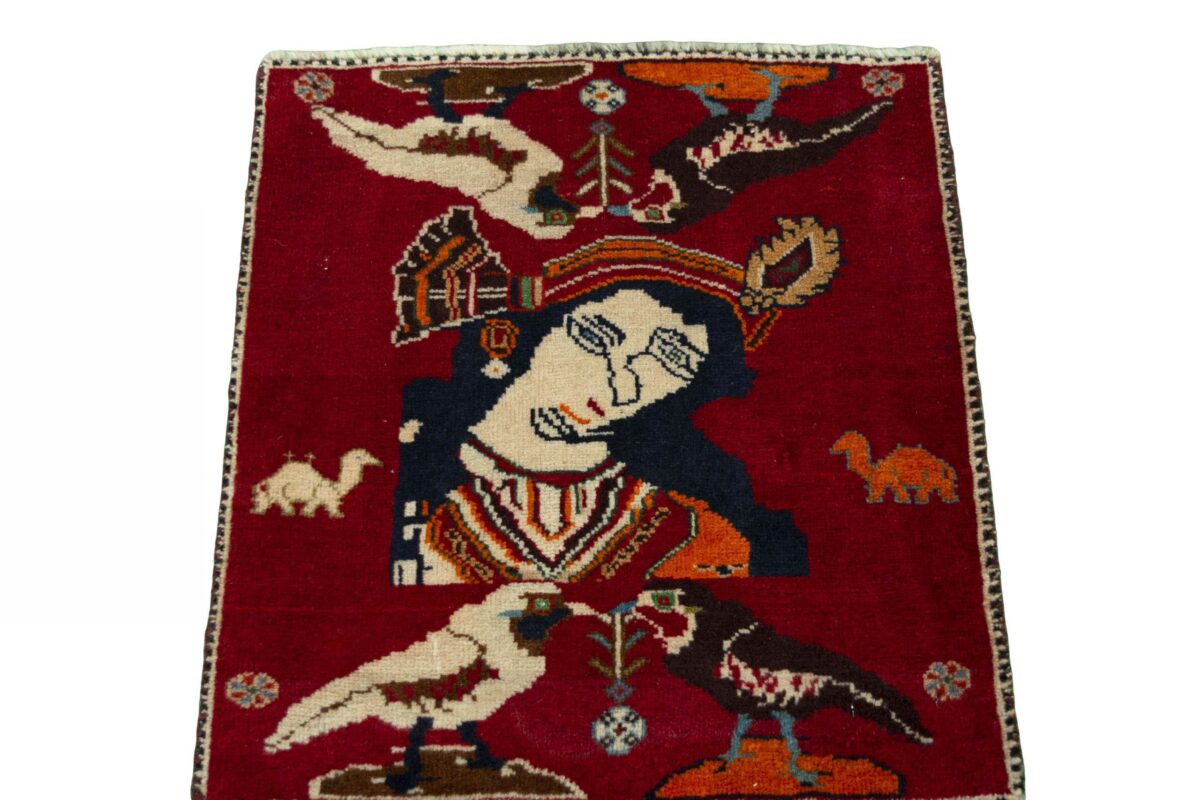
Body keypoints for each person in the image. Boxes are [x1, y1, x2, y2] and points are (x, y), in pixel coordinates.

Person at [391, 281, 809, 586]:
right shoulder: (407, 474)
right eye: (595, 337)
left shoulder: (690, 532)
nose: (621, 383)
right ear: (539, 330)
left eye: (670, 361)